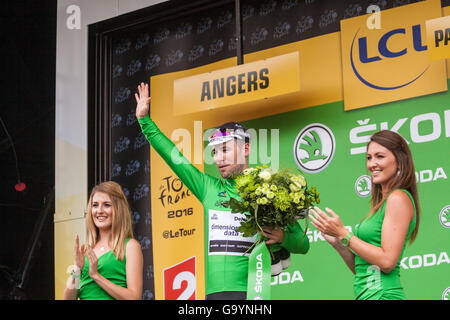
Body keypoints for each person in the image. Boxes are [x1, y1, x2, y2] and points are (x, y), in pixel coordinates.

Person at [135, 82, 309, 300]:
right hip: (214, 295)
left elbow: (304, 244)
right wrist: (144, 121)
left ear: (245, 149)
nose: (218, 159)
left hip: (254, 292)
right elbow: (173, 157)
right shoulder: (209, 188)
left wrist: (282, 236)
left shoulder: (268, 192)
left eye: (225, 150)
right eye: (215, 152)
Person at [309, 130, 420, 300]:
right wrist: (338, 243)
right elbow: (364, 269)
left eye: (380, 156)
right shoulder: (382, 204)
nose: (372, 164)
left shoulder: (398, 198)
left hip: (384, 295)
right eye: (369, 158)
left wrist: (343, 234)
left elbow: (387, 262)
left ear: (399, 161)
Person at [63, 181, 143, 300]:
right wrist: (77, 269)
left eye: (106, 205)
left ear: (118, 209)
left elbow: (134, 297)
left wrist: (96, 276)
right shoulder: (86, 250)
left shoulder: (130, 246)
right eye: (95, 205)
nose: (99, 211)